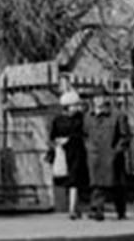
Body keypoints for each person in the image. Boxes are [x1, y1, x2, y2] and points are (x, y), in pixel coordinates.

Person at [86, 92, 132, 220]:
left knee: (117, 185)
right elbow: (85, 134)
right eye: (96, 97)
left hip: (112, 156)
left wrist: (117, 150)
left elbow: (125, 135)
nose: (98, 100)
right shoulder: (89, 116)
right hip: (95, 156)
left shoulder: (118, 115)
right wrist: (89, 148)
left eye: (101, 97)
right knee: (96, 185)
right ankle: (97, 210)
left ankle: (121, 211)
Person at [48, 88, 89, 219]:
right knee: (70, 180)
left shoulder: (76, 119)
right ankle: (73, 208)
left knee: (74, 180)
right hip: (66, 152)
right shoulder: (68, 120)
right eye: (74, 105)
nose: (76, 108)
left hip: (74, 151)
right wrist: (57, 143)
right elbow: (52, 136)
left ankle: (73, 208)